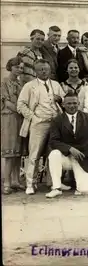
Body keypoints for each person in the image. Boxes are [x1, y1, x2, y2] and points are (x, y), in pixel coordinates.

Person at [45, 92, 88, 198]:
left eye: (74, 103)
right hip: (66, 157)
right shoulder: (57, 120)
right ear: (63, 105)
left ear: (79, 103)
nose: (72, 106)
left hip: (83, 157)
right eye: (69, 104)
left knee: (84, 191)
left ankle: (79, 185)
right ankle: (56, 187)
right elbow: (53, 141)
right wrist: (70, 149)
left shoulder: (87, 117)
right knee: (54, 154)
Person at [17, 59, 65, 194]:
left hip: (55, 123)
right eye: (40, 69)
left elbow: (65, 101)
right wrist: (33, 117)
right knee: (34, 154)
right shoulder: (29, 86)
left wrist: (60, 99)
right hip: (38, 123)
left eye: (46, 69)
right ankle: (30, 184)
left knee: (53, 153)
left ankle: (53, 183)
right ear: (35, 71)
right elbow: (20, 105)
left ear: (50, 70)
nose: (44, 72)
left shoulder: (55, 85)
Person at [1, 57, 24, 194]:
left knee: (18, 150)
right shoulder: (4, 83)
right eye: (17, 67)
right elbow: (6, 101)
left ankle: (15, 180)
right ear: (11, 67)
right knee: (9, 151)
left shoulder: (20, 84)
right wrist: (19, 109)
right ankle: (7, 182)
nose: (19, 70)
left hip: (19, 118)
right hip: (8, 117)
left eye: (21, 68)